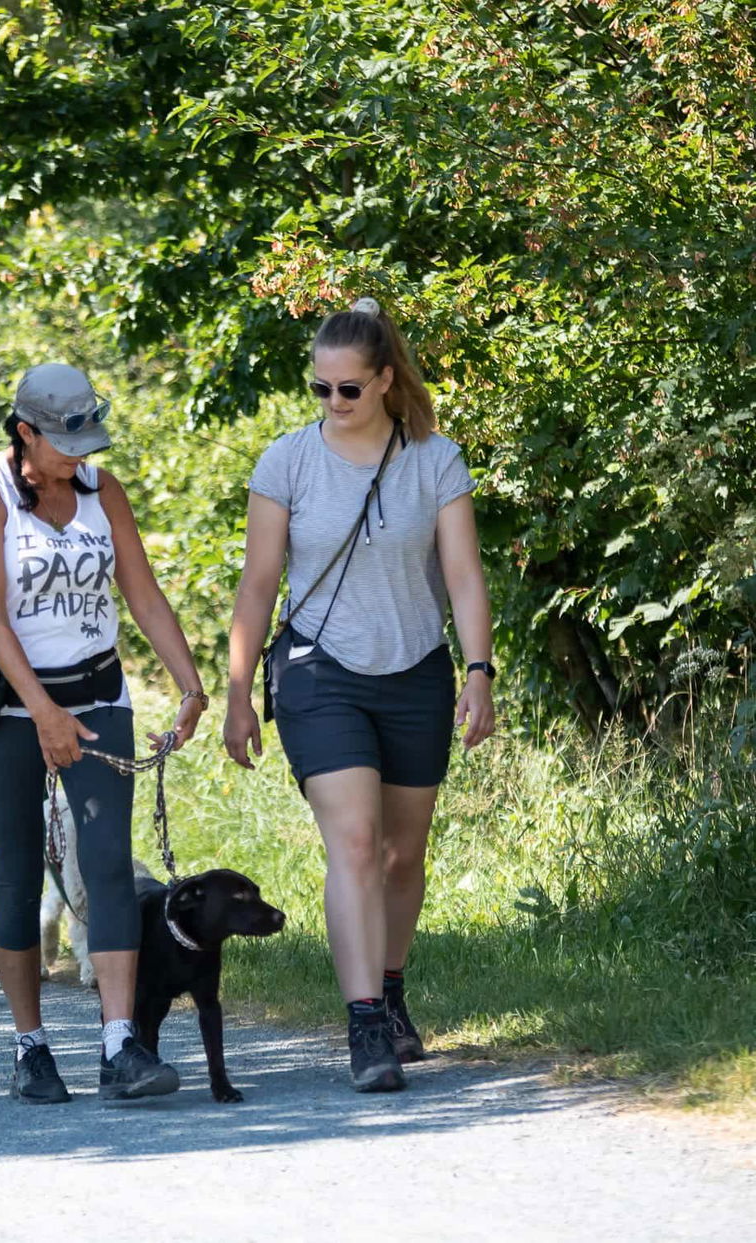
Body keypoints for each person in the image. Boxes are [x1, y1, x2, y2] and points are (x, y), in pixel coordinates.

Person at [223, 297, 496, 1093]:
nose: (333, 404)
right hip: (318, 669)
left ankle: (394, 986)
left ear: (383, 381)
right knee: (353, 840)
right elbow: (258, 585)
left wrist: (478, 670)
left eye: (347, 389)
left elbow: (463, 575)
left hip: (415, 667)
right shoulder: (287, 462)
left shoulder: (435, 459)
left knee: (401, 853)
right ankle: (364, 1021)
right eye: (320, 389)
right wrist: (239, 691)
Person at [0, 363, 209, 1104]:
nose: (82, 456)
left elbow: (143, 591)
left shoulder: (103, 490)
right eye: (67, 442)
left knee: (107, 863)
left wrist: (190, 684)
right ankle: (31, 1046)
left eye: (89, 440)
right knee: (21, 866)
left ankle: (119, 1041)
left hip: (97, 693)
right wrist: (42, 712)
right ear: (24, 430)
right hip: (5, 705)